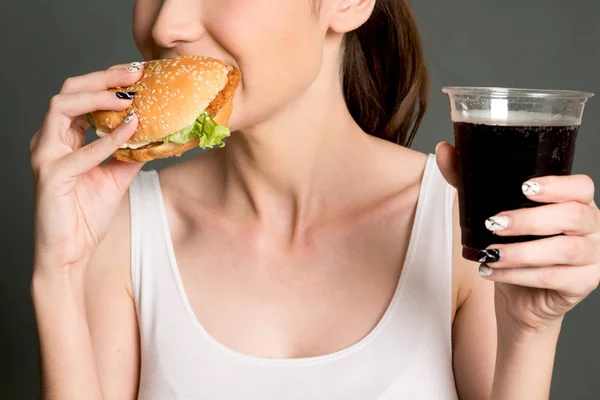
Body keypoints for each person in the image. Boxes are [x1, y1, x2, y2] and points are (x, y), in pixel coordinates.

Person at [29, 0, 600, 399]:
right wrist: (59, 275)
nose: (167, 23)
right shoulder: (118, 227)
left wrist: (531, 330)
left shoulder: (464, 221)